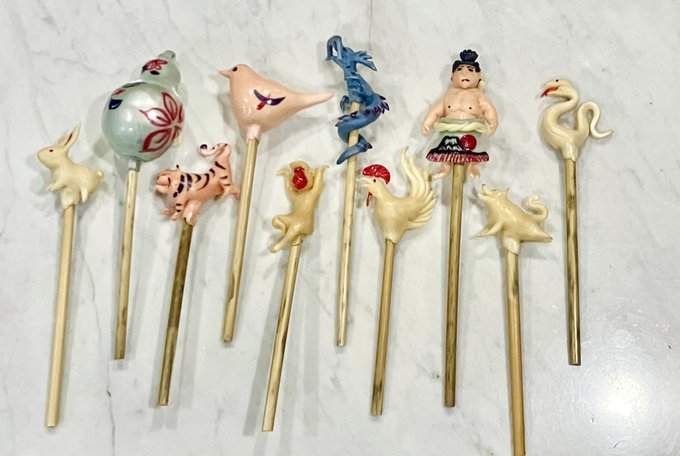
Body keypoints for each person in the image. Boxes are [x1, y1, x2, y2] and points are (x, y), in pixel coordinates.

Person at [421, 50, 498, 179]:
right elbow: (436, 110)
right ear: (452, 75)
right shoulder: (449, 94)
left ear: (479, 76)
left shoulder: (478, 95)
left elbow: (488, 110)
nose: (464, 73)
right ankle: (445, 167)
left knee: (474, 150)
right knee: (446, 151)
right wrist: (427, 123)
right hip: (449, 131)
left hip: (471, 131)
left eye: (470, 70)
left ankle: (473, 165)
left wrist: (493, 124)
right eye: (460, 69)